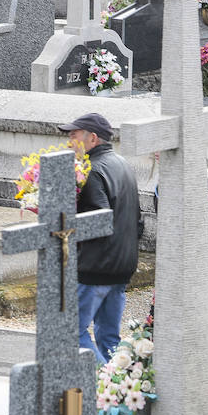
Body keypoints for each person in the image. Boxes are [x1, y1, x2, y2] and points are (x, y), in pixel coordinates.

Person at [64, 112, 142, 362]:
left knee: (71, 334)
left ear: (93, 139)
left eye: (74, 136)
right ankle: (119, 393)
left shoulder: (92, 171)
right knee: (109, 338)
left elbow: (98, 220)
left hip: (96, 267)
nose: (69, 142)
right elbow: (138, 221)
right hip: (122, 265)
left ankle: (103, 383)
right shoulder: (123, 165)